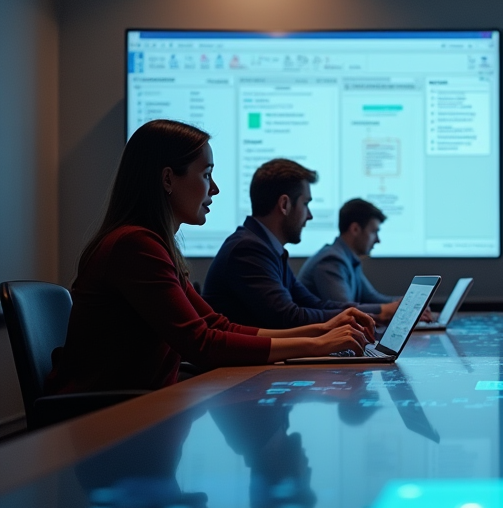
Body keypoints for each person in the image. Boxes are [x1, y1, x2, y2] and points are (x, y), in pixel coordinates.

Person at [46, 121, 372, 396]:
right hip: (105, 420)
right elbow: (201, 344)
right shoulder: (135, 245)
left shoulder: (154, 244)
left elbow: (217, 324)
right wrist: (316, 344)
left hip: (140, 405)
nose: (214, 189)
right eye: (206, 175)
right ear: (168, 179)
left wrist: (320, 332)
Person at [203, 161, 387, 328]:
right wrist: (353, 316)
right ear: (285, 204)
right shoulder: (248, 249)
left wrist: (361, 313)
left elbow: (313, 304)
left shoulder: (268, 247)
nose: (309, 215)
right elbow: (288, 317)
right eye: (306, 204)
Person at [298, 198, 401, 318]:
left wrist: (405, 304)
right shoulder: (331, 261)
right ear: (355, 229)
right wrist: (387, 310)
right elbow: (345, 311)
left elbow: (371, 298)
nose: (378, 240)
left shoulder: (348, 259)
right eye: (374, 232)